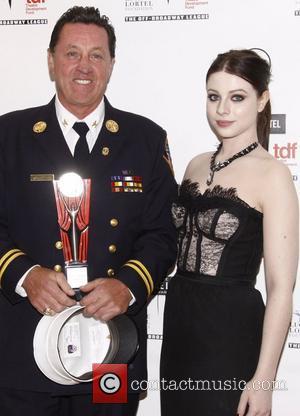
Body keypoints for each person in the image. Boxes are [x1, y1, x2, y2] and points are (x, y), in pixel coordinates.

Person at [0, 6, 177, 416]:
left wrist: (128, 286)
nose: (85, 66)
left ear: (112, 65)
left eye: (97, 55)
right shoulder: (8, 137)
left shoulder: (145, 140)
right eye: (72, 53)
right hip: (23, 348)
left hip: (110, 344)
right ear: (51, 61)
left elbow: (163, 234)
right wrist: (25, 275)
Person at [160, 49, 298, 416]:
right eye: (214, 97)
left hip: (230, 330)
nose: (223, 109)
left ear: (262, 100)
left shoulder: (274, 175)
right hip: (179, 324)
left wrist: (264, 380)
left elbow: (281, 288)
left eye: (237, 98)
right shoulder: (195, 165)